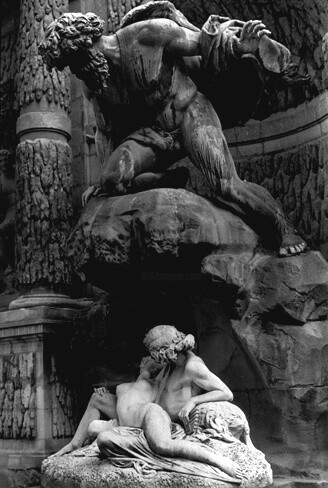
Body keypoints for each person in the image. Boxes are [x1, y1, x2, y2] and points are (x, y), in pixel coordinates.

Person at [39, 2, 306, 256]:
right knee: (112, 178)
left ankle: (283, 229)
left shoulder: (148, 35)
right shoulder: (95, 82)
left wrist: (239, 46)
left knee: (227, 187)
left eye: (75, 61)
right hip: (152, 136)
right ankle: (166, 180)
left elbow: (203, 43)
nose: (76, 72)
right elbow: (105, 131)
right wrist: (104, 183)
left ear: (87, 42)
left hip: (189, 114)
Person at [97, 355, 244, 480]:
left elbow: (225, 392)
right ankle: (144, 449)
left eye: (152, 357)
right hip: (135, 427)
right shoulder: (162, 374)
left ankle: (218, 460)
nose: (147, 360)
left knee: (163, 445)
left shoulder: (169, 375)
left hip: (152, 414)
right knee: (102, 438)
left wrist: (193, 401)